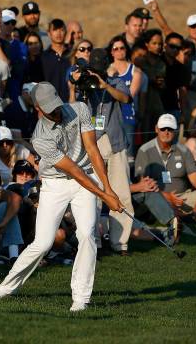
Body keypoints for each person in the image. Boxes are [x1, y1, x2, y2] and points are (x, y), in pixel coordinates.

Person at [0, 82, 123, 312]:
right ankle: (7, 287)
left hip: (86, 178)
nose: (55, 113)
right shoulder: (39, 137)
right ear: (38, 107)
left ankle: (81, 297)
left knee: (87, 235)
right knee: (43, 242)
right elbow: (73, 171)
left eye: (56, 107)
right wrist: (105, 196)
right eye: (49, 109)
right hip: (55, 183)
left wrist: (108, 189)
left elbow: (92, 150)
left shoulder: (80, 109)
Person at [70, 47, 134, 256]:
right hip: (93, 144)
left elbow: (126, 99)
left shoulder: (116, 82)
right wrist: (78, 84)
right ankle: (94, 242)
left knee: (121, 192)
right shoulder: (85, 84)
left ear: (106, 65)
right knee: (94, 194)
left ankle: (120, 242)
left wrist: (104, 85)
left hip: (115, 143)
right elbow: (73, 107)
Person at [135, 114, 196, 223]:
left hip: (182, 196)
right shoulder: (145, 150)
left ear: (176, 130)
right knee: (151, 198)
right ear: (156, 129)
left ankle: (191, 216)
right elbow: (143, 184)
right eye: (163, 129)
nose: (166, 132)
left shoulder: (184, 150)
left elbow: (195, 180)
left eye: (170, 129)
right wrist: (166, 196)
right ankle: (182, 216)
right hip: (158, 195)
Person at [106, 36, 143, 159]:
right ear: (111, 52)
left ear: (126, 49)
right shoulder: (107, 70)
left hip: (127, 116)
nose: (119, 51)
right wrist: (110, 74)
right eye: (115, 49)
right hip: (111, 116)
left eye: (122, 48)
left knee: (128, 156)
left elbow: (128, 96)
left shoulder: (135, 71)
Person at [138, 29, 167, 142]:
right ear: (147, 44)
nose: (158, 46)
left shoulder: (161, 63)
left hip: (157, 104)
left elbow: (161, 83)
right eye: (154, 43)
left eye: (160, 44)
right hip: (143, 104)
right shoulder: (140, 61)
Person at [42, 19, 71, 102]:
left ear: (66, 32)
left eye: (61, 30)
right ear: (49, 33)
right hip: (49, 105)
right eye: (55, 30)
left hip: (70, 105)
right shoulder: (43, 57)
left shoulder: (72, 56)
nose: (59, 33)